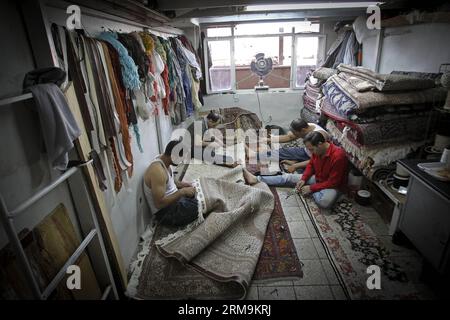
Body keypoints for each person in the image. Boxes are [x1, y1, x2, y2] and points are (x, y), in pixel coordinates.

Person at [243, 131, 348, 209]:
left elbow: (333, 182)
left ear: (320, 144)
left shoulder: (338, 156)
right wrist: (304, 178)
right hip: (319, 178)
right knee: (288, 177)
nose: (311, 152)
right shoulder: (317, 151)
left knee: (324, 202)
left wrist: (311, 188)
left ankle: (331, 194)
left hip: (332, 184)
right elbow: (311, 164)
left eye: (311, 149)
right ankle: (257, 178)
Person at [143, 138, 198, 227]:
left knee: (199, 194)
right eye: (180, 159)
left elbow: (171, 182)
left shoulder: (164, 160)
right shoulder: (158, 171)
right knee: (201, 206)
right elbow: (159, 204)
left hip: (174, 202)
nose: (181, 161)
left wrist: (185, 185)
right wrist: (182, 192)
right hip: (165, 213)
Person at [249, 118, 329, 173]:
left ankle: (298, 163)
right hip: (304, 152)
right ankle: (254, 155)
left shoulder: (321, 136)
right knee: (279, 152)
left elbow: (319, 160)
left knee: (301, 174)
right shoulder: (308, 126)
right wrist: (270, 139)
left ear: (303, 130)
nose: (294, 135)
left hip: (314, 160)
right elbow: (289, 137)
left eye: (295, 133)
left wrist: (296, 165)